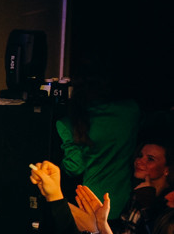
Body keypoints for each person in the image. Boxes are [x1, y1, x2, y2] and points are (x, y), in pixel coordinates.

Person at [55, 76, 140, 219]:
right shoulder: (130, 110)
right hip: (127, 198)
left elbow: (74, 167)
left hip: (94, 201)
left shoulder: (71, 122)